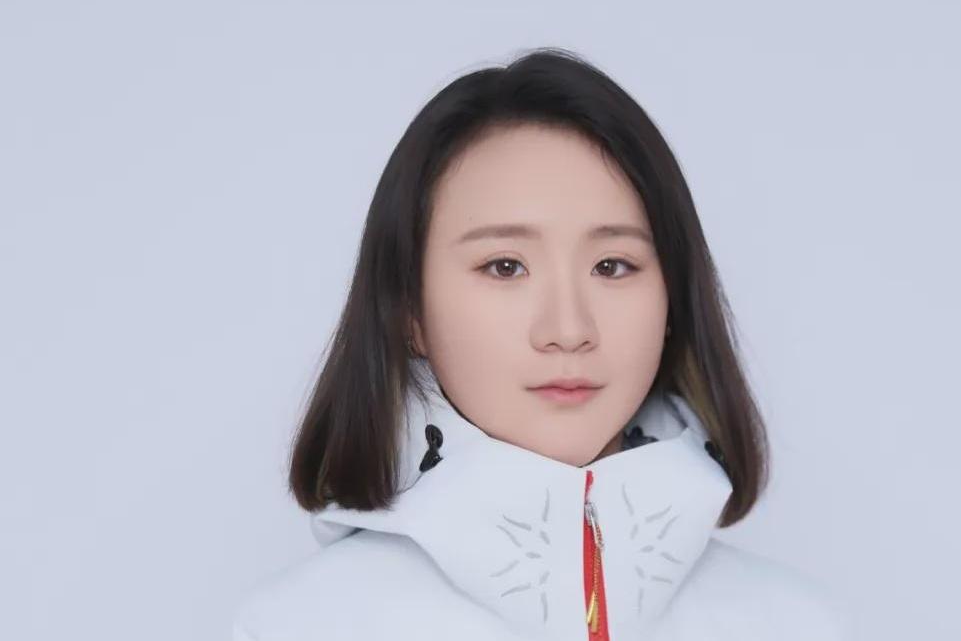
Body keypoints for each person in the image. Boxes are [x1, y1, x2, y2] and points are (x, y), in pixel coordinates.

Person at [232, 47, 851, 641]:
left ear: (674, 300)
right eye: (505, 267)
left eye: (612, 266)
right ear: (409, 310)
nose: (568, 329)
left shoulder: (800, 627)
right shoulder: (298, 628)